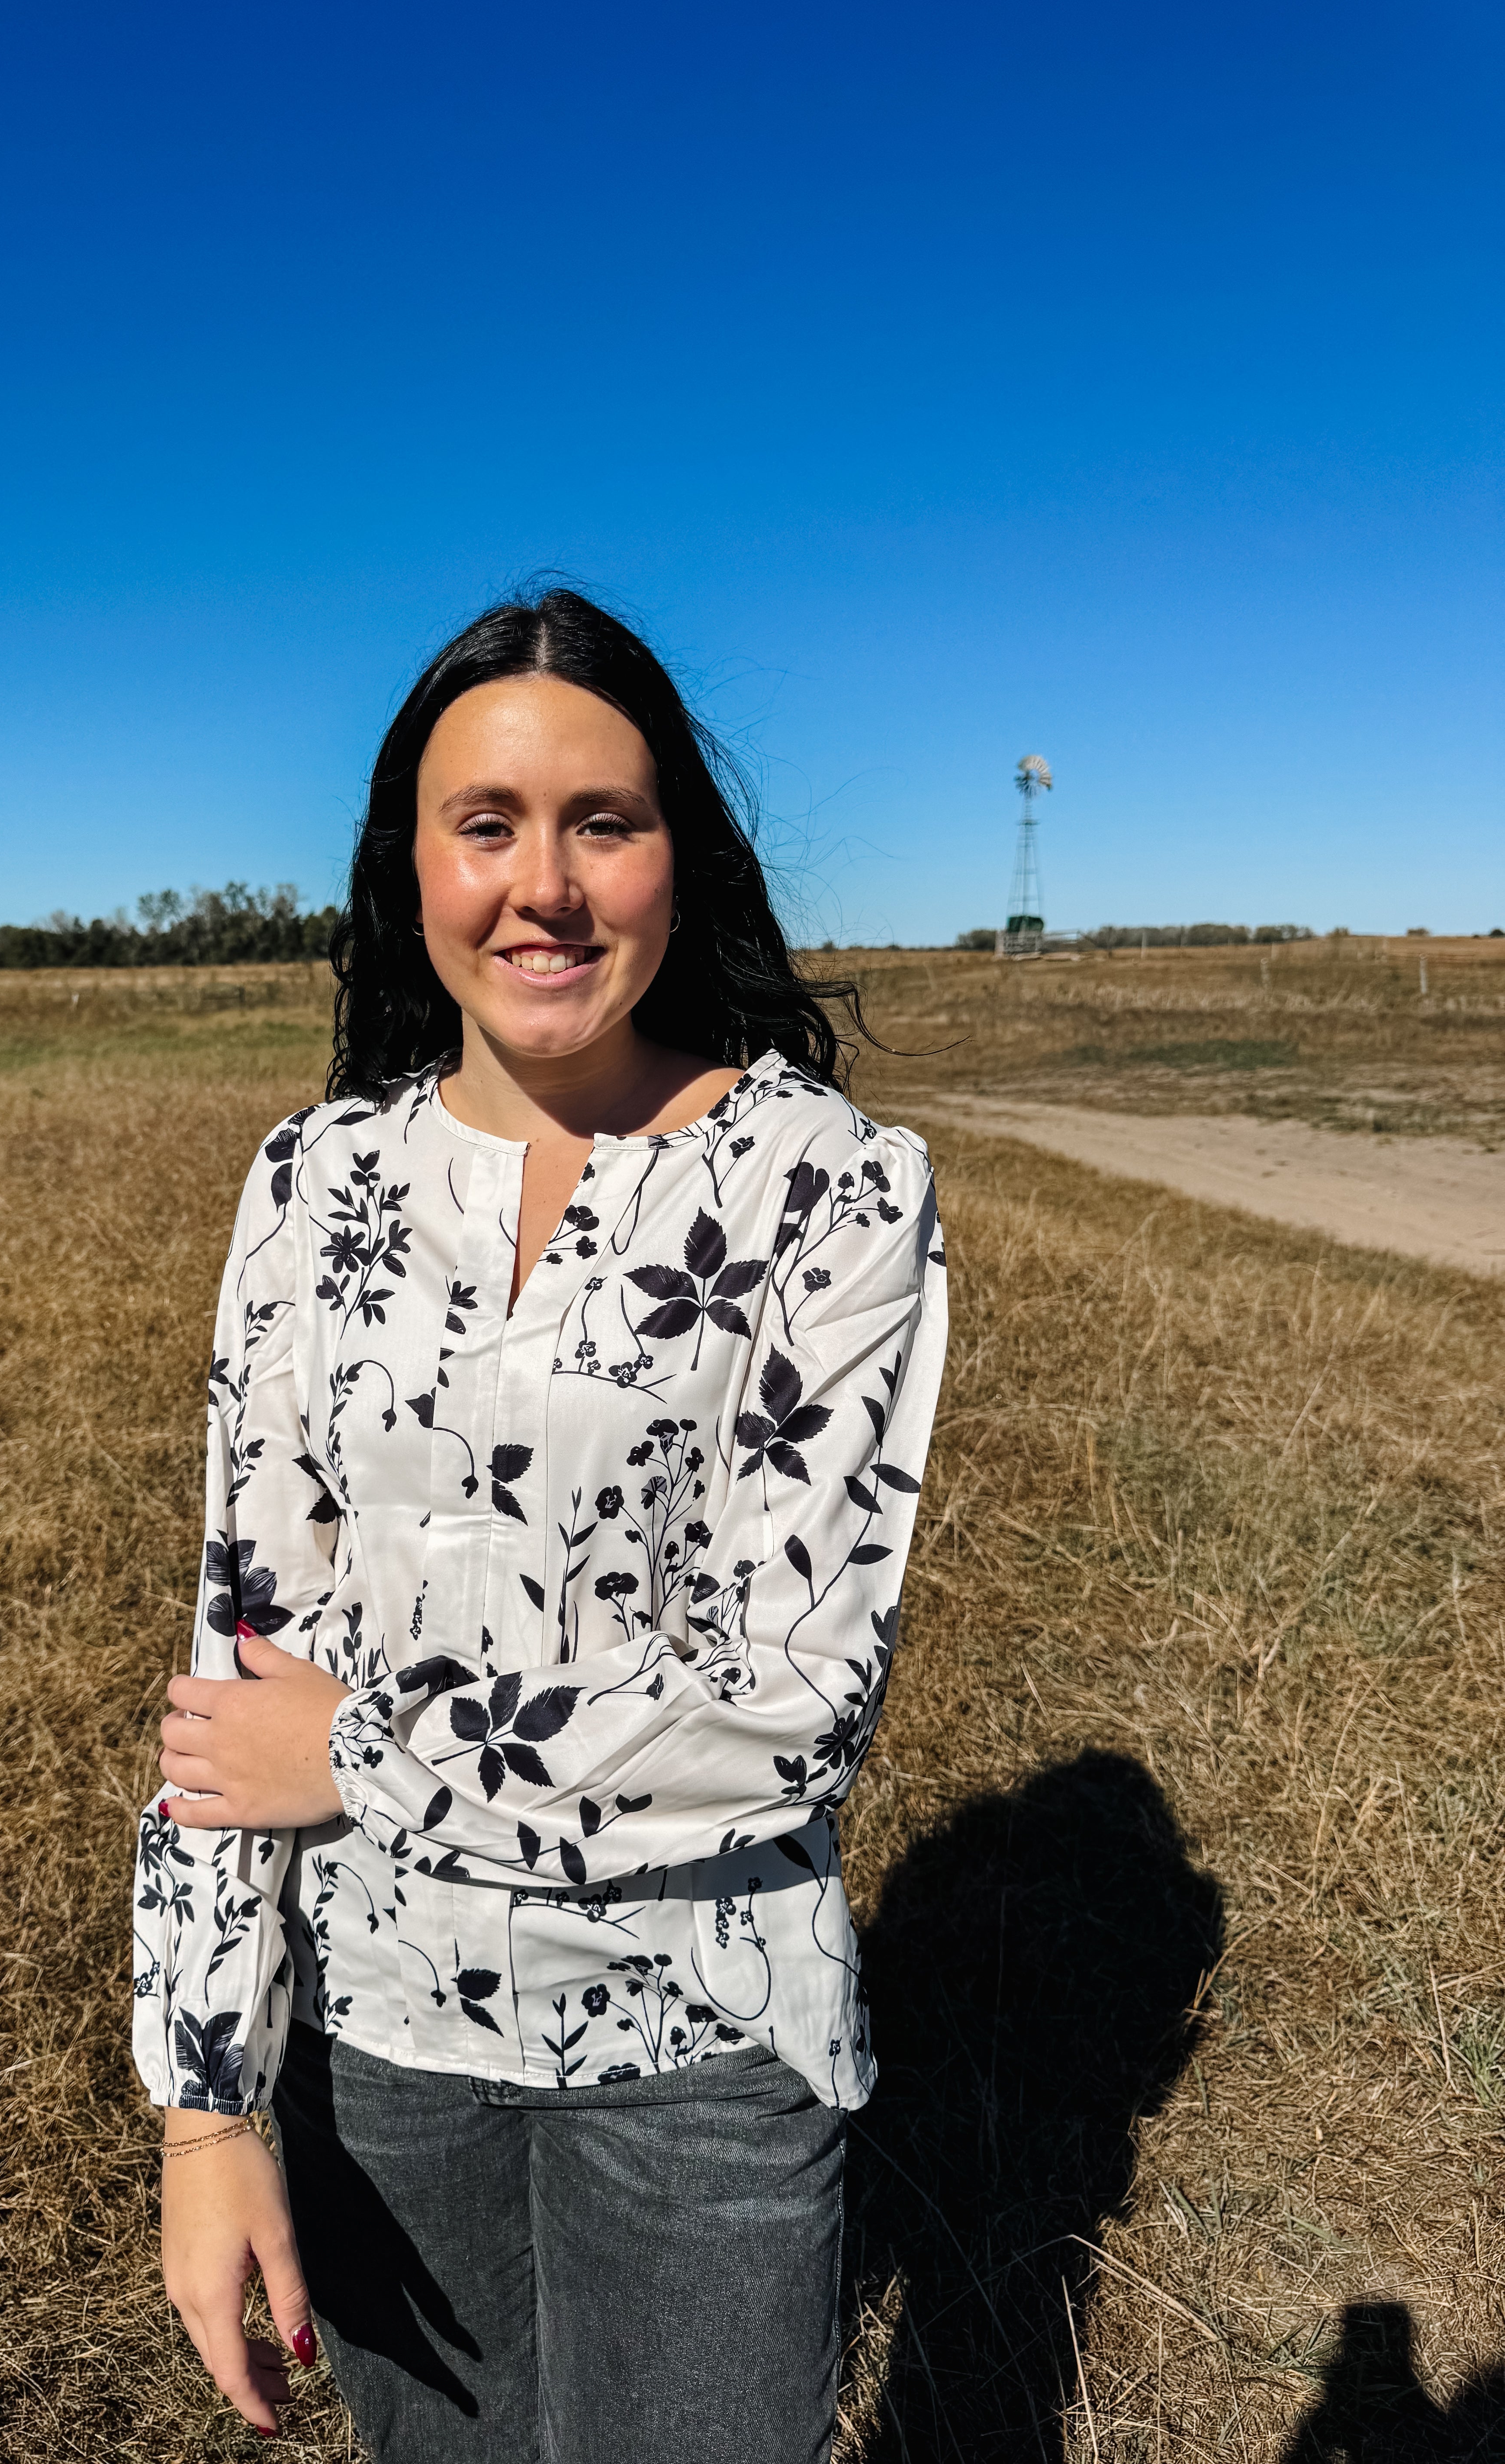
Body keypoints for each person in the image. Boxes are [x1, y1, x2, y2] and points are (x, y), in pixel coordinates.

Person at [132, 587, 948, 2460]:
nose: (546, 889)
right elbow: (235, 1655)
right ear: (409, 866)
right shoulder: (315, 1183)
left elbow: (790, 1707)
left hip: (697, 2052)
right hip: (377, 2050)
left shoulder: (826, 1189)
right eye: (486, 825)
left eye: (605, 823)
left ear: (682, 859)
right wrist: (208, 2102)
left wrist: (355, 1754)